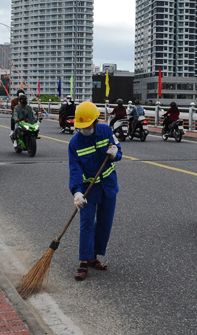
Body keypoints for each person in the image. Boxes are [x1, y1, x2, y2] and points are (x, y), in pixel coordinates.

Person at [68, 101, 122, 281]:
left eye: (88, 126)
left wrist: (116, 153)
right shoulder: (74, 143)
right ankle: (84, 260)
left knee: (105, 223)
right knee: (86, 223)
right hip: (87, 189)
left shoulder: (106, 132)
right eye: (81, 127)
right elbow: (74, 169)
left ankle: (94, 257)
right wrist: (76, 192)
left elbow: (118, 151)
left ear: (95, 122)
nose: (85, 129)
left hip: (108, 184)